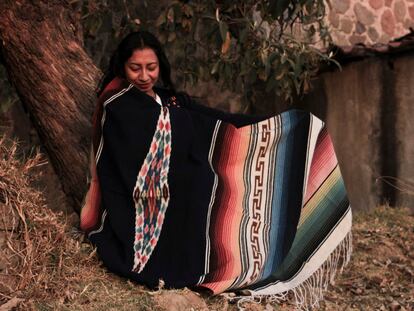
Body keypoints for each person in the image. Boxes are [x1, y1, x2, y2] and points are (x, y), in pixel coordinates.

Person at [80, 31, 352, 308]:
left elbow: (214, 120)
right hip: (143, 210)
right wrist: (179, 127)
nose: (144, 76)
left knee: (227, 188)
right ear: (122, 67)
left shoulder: (168, 100)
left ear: (160, 65)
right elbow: (129, 157)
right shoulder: (117, 104)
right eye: (134, 68)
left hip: (183, 193)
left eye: (151, 68)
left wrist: (267, 126)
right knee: (206, 190)